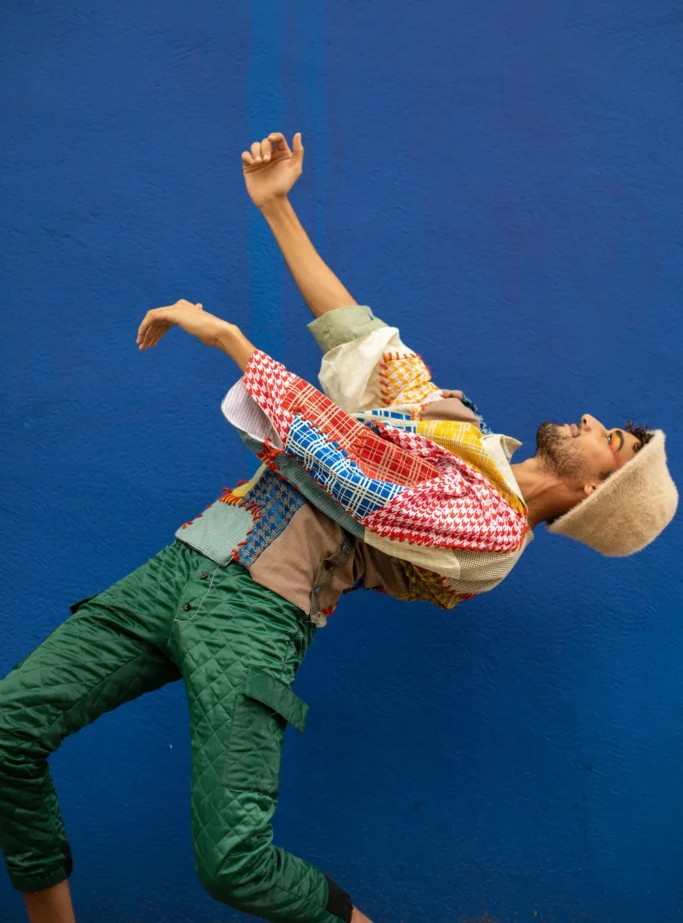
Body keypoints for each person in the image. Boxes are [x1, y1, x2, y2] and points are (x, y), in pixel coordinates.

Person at [0, 133, 677, 923]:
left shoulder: (492, 536)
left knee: (234, 864)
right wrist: (276, 207)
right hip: (185, 564)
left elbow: (356, 479)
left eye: (611, 439)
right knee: (9, 731)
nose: (592, 420)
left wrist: (236, 346)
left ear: (595, 489)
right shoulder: (453, 425)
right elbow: (356, 336)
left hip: (257, 614)